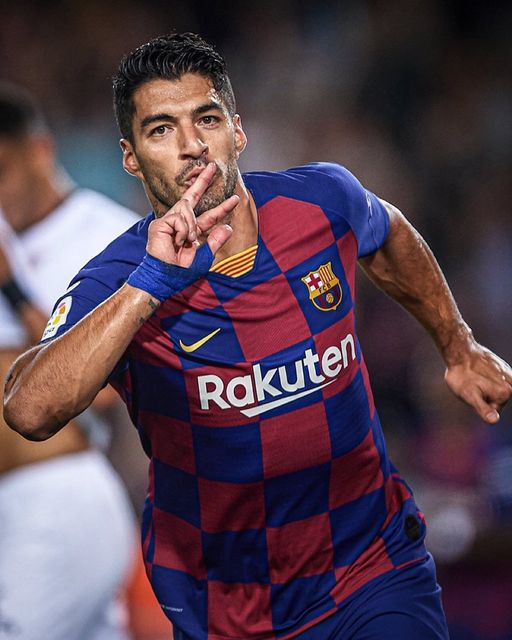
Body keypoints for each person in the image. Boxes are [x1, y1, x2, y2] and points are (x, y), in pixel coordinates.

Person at [4, 33, 512, 640]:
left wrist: (458, 346)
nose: (192, 145)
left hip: (372, 568)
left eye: (207, 119)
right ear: (131, 158)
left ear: (237, 131)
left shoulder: (321, 201)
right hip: (230, 607)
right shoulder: (117, 279)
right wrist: (150, 286)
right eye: (162, 129)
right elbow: (28, 410)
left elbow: (390, 233)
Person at [0, 83, 140, 640]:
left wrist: (12, 286)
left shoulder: (107, 237)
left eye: (2, 171)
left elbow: (104, 392)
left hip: (55, 494)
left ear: (40, 151)